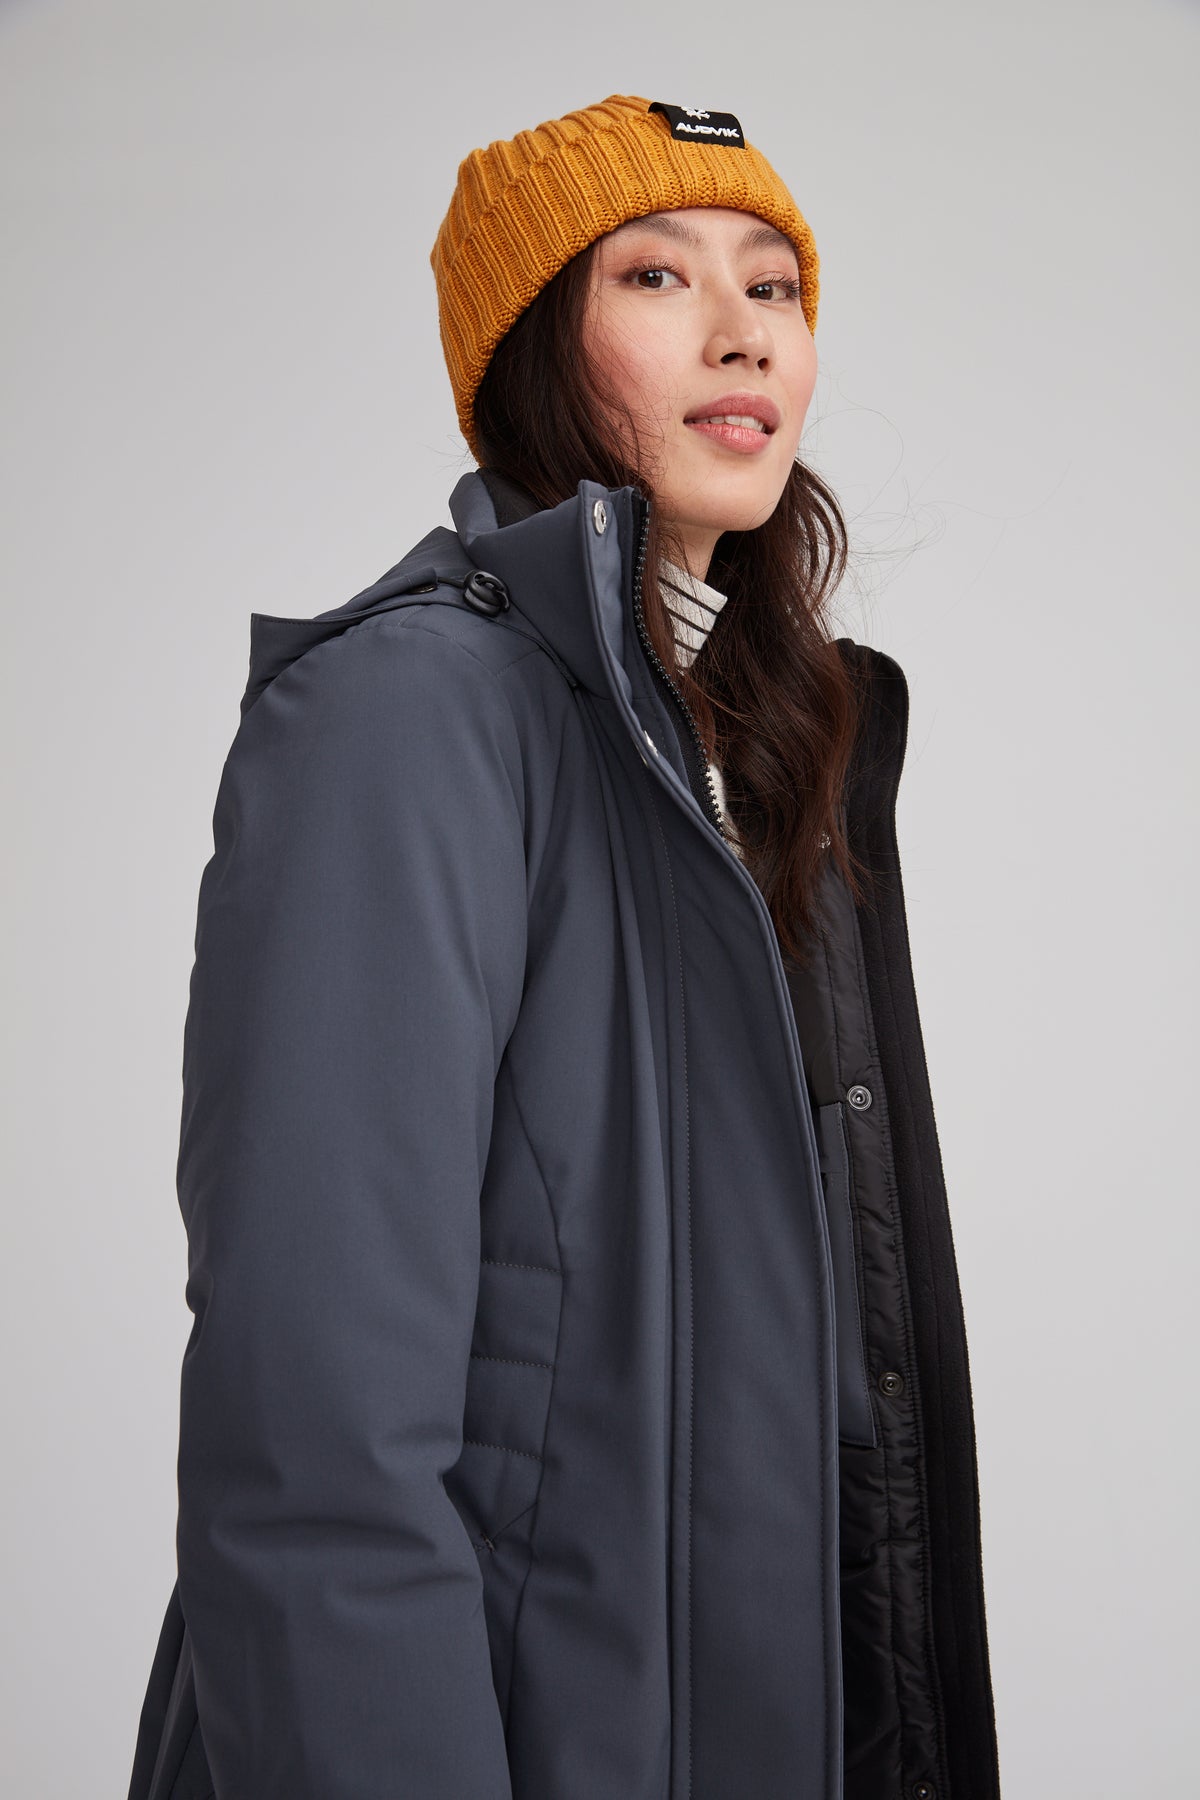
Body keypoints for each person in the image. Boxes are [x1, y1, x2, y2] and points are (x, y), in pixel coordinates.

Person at [126, 93, 1001, 1800]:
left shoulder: (761, 744)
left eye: (774, 284)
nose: (743, 330)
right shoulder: (403, 715)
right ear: (534, 346)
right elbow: (312, 1440)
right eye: (657, 277)